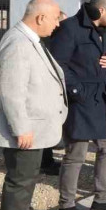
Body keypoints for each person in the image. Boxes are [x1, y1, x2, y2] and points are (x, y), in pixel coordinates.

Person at [0, 0, 66, 210]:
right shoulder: (18, 43)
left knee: (27, 177)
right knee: (20, 179)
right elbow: (13, 90)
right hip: (25, 128)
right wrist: (21, 128)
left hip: (34, 126)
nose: (57, 24)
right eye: (54, 19)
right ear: (40, 17)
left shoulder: (30, 40)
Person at [50, 0, 106, 210]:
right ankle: (66, 204)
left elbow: (100, 62)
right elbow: (59, 64)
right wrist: (78, 92)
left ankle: (102, 198)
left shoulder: (101, 31)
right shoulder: (69, 28)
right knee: (76, 154)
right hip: (81, 101)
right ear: (101, 10)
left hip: (100, 98)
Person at [40, 10, 68, 176]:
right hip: (47, 90)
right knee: (45, 126)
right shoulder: (48, 40)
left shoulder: (54, 39)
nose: (60, 25)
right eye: (60, 22)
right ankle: (45, 162)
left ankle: (47, 160)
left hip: (54, 89)